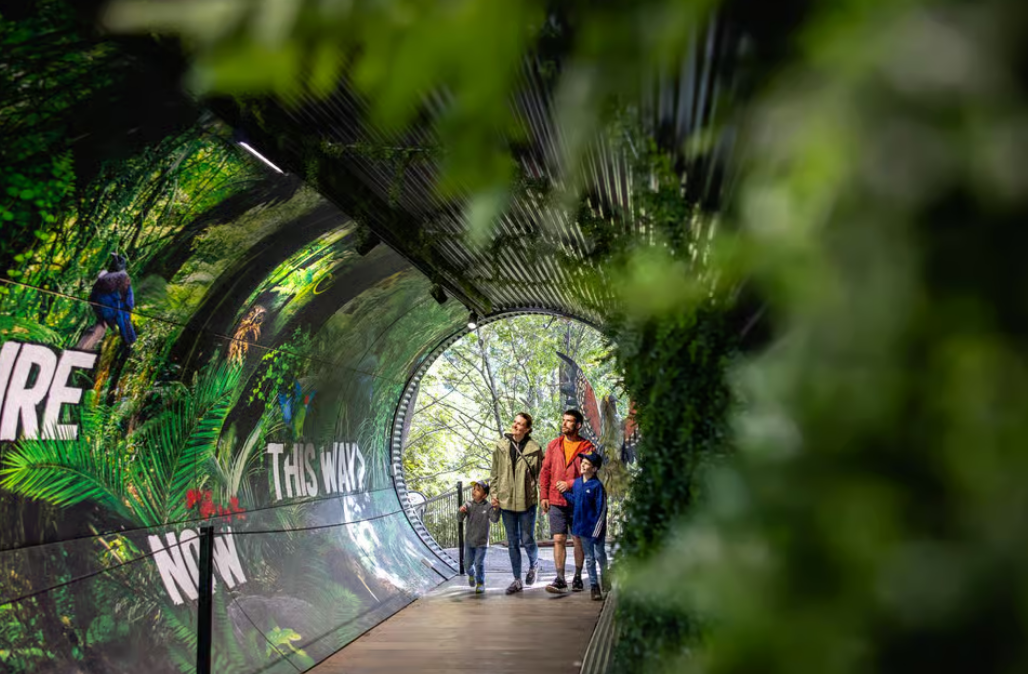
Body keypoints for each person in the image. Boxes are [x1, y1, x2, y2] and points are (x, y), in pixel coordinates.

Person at [489, 412, 544, 594]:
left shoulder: (535, 449)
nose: (515, 426)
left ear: (527, 429)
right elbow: (494, 473)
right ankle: (517, 580)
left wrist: (543, 495)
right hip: (506, 501)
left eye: (520, 424)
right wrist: (494, 495)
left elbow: (541, 475)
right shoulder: (501, 445)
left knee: (527, 539)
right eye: (514, 422)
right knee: (512, 542)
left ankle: (534, 565)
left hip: (527, 501)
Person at [541, 409, 595, 594]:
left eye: (569, 421)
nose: (564, 424)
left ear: (578, 425)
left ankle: (578, 577)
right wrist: (544, 496)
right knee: (558, 539)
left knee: (578, 540)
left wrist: (570, 483)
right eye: (563, 420)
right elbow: (545, 471)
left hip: (579, 500)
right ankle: (560, 578)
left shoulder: (587, 447)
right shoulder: (553, 445)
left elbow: (590, 472)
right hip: (556, 500)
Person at [557, 451, 609, 601]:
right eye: (582, 463)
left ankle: (605, 577)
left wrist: (597, 530)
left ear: (594, 468)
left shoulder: (597, 486)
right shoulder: (578, 483)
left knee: (599, 555)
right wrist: (564, 493)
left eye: (587, 464)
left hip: (596, 529)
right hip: (582, 529)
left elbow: (602, 509)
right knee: (589, 558)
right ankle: (594, 586)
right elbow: (576, 501)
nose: (583, 465)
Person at [459, 479, 500, 594]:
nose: (474, 491)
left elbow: (494, 519)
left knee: (479, 563)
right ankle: (471, 574)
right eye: (474, 489)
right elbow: (459, 519)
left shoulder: (488, 506)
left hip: (481, 542)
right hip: (469, 541)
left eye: (478, 490)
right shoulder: (468, 504)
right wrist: (461, 512)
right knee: (467, 564)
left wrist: (496, 508)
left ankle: (480, 583)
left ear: (485, 495)